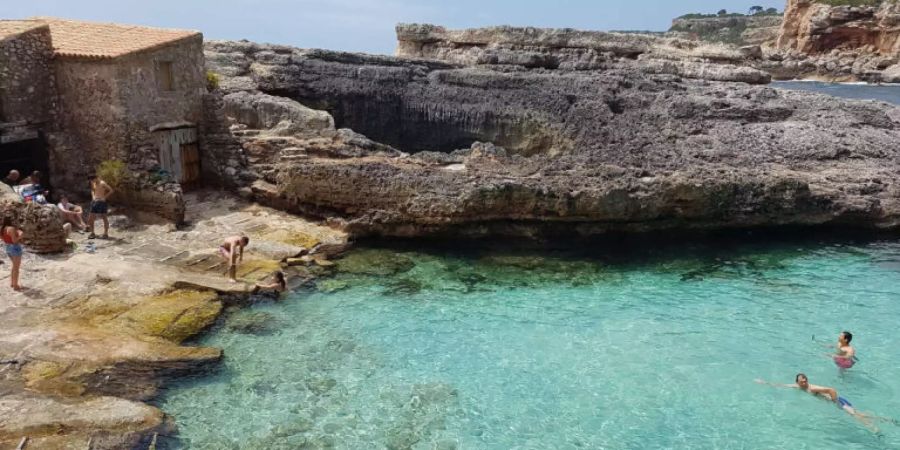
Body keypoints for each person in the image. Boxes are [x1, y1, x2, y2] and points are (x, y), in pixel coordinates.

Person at [756, 374, 887, 432]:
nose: (804, 382)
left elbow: (831, 389)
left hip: (839, 401)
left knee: (854, 415)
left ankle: (873, 429)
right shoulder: (798, 387)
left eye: (805, 380)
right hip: (837, 402)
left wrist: (836, 402)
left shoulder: (811, 388)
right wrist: (765, 383)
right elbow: (782, 385)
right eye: (802, 381)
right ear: (797, 382)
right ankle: (884, 420)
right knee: (858, 413)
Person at [87, 174, 114, 240]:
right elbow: (93, 190)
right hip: (95, 202)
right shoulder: (93, 183)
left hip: (101, 202)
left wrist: (104, 197)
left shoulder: (102, 183)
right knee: (91, 217)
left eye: (93, 180)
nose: (92, 181)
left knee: (104, 217)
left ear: (96, 178)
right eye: (91, 180)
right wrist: (93, 197)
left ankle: (106, 233)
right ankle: (92, 232)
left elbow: (111, 190)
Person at [2, 217, 24, 291]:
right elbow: (14, 241)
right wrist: (21, 235)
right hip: (15, 248)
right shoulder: (11, 228)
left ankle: (12, 283)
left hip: (8, 247)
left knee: (14, 266)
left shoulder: (2, 229)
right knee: (16, 268)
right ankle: (15, 285)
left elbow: (3, 239)